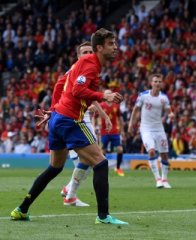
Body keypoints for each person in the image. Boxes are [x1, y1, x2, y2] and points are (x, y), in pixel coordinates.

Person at [10, 28, 128, 225]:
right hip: (70, 120)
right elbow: (77, 89)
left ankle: (21, 209)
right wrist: (103, 96)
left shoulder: (82, 64)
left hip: (59, 118)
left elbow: (60, 84)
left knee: (54, 167)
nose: (115, 47)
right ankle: (103, 216)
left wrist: (54, 110)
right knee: (100, 162)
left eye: (114, 43)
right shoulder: (90, 65)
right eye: (110, 44)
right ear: (99, 47)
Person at [58, 42, 111, 207]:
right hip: (72, 118)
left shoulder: (90, 70)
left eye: (90, 51)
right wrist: (53, 110)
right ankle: (70, 193)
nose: (88, 54)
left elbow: (91, 97)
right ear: (78, 55)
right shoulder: (74, 70)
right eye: (84, 52)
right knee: (92, 159)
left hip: (83, 116)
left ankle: (70, 192)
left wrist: (104, 116)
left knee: (90, 159)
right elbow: (59, 88)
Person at [128, 73, 174, 189]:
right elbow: (136, 109)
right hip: (146, 128)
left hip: (159, 128)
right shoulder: (143, 96)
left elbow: (169, 110)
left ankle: (164, 179)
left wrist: (171, 114)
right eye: (155, 81)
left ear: (162, 83)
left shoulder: (163, 98)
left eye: (159, 81)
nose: (157, 83)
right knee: (152, 151)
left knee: (164, 154)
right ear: (151, 83)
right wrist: (131, 123)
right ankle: (158, 179)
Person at [100, 89, 125, 176]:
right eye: (107, 94)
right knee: (103, 151)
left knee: (120, 149)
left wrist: (122, 131)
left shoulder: (116, 106)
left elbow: (120, 118)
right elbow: (95, 117)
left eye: (110, 94)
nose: (109, 95)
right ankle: (103, 169)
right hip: (104, 131)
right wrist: (94, 126)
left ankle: (118, 168)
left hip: (115, 131)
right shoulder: (101, 105)